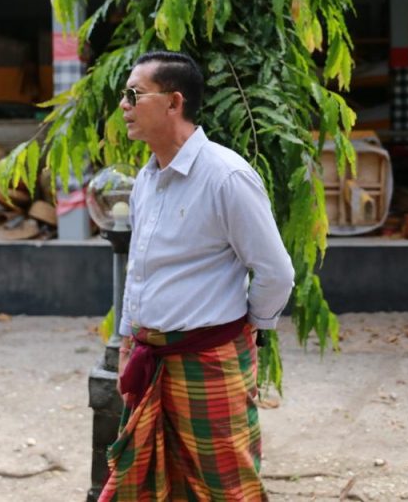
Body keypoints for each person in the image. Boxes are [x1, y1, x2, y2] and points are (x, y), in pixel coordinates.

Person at [99, 51, 295, 501]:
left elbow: (276, 272)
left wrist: (249, 330)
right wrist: (128, 338)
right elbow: (139, 269)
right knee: (153, 485)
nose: (124, 105)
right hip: (152, 358)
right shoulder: (147, 178)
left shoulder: (226, 176)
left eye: (134, 94)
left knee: (226, 488)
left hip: (209, 358)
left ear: (174, 102)